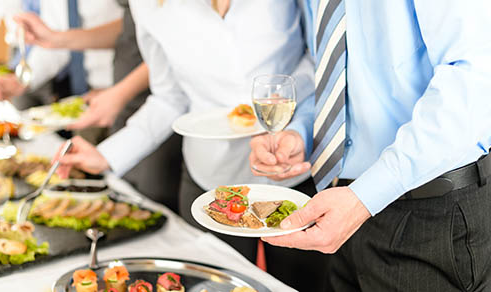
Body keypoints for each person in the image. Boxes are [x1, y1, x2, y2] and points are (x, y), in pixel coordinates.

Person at [54, 1, 330, 290]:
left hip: (295, 168)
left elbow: (318, 57)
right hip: (210, 183)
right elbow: (168, 97)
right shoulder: (148, 6)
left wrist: (291, 111)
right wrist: (107, 154)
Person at [250, 0, 491, 290]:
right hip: (346, 203)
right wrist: (302, 131)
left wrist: (364, 197)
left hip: (429, 215)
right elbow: (330, 63)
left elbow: (474, 83)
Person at [15, 0, 183, 213]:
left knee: (155, 200)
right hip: (138, 105)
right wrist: (108, 155)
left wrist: (120, 92)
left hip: (142, 99)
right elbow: (169, 90)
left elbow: (175, 58)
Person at [0, 0, 123, 110]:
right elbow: (56, 39)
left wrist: (121, 90)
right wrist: (20, 80)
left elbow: (132, 29)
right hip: (31, 56)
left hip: (116, 80)